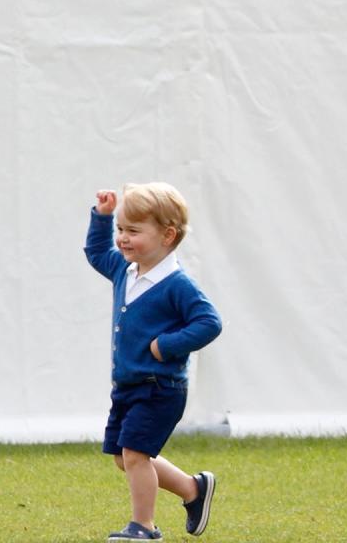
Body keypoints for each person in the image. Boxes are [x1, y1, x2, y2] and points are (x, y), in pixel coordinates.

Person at [85, 182, 222, 542]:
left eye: (133, 231)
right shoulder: (124, 270)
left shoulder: (177, 285)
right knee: (123, 456)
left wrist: (168, 345)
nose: (122, 239)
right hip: (128, 386)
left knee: (135, 454)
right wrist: (102, 218)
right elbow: (97, 252)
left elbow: (209, 323)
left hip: (160, 387)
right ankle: (193, 490)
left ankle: (143, 527)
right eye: (120, 230)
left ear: (167, 235)